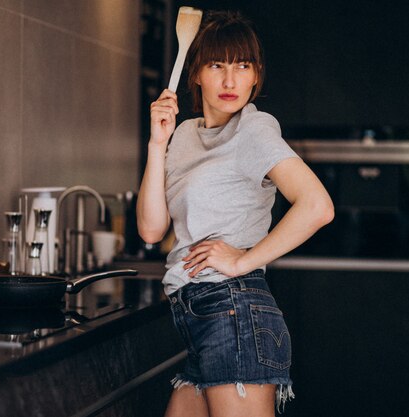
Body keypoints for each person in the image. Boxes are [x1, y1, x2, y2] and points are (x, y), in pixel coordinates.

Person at [137, 10, 334, 417]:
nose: (230, 80)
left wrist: (244, 259)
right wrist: (157, 144)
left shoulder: (253, 129)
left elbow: (317, 206)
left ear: (256, 76)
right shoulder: (184, 135)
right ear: (196, 74)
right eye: (217, 65)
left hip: (235, 312)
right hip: (196, 317)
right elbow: (151, 229)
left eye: (242, 66)